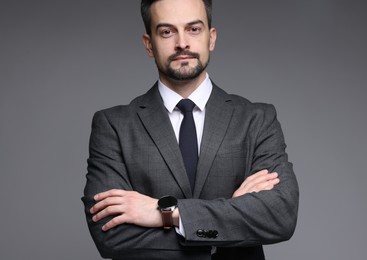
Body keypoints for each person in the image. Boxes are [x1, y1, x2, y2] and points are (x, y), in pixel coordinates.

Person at [82, 0, 299, 259]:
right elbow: (111, 237)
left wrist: (164, 213)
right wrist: (228, 222)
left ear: (211, 38)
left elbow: (280, 216)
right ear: (149, 44)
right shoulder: (114, 126)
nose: (182, 43)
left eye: (194, 29)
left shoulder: (257, 119)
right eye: (167, 31)